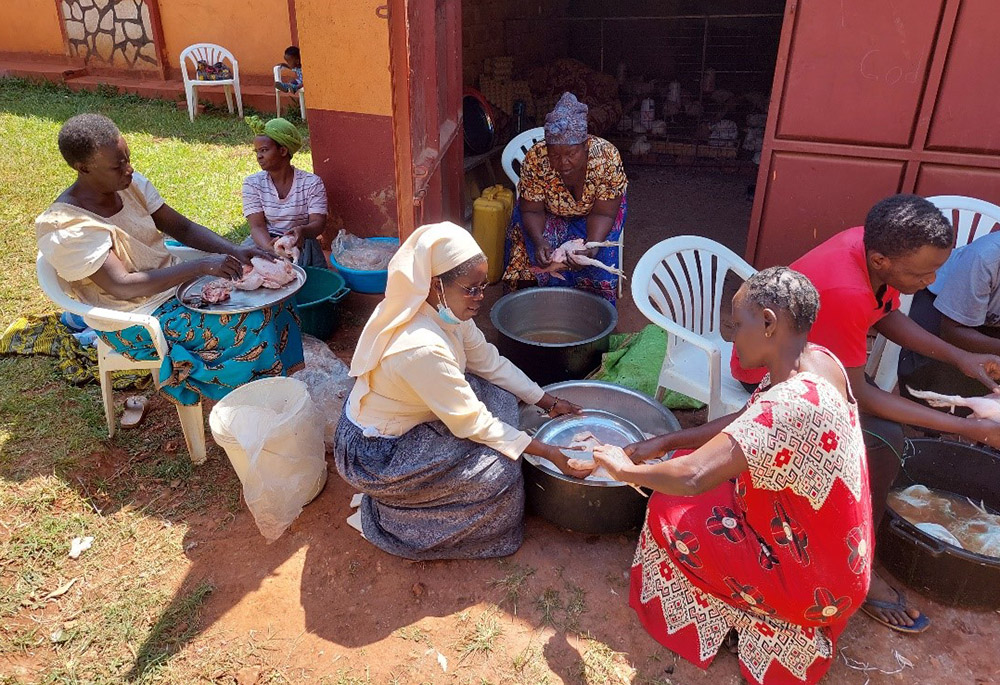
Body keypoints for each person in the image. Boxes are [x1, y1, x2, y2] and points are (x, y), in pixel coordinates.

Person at [730, 194, 1000, 633]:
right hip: (769, 372)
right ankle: (851, 564)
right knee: (879, 441)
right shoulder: (846, 289)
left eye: (937, 268)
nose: (933, 280)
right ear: (882, 261)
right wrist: (971, 429)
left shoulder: (872, 251)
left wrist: (959, 358)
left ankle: (855, 545)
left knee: (889, 434)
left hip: (818, 360)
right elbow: (860, 395)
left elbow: (886, 314)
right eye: (923, 273)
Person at [592, 267, 871, 685]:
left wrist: (625, 468)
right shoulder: (818, 361)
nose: (732, 338)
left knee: (669, 510)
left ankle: (742, 613)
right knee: (686, 461)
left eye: (737, 325)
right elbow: (745, 419)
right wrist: (665, 443)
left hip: (810, 578)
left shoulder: (792, 406)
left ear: (769, 323)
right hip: (830, 553)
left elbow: (693, 477)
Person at [334, 222, 590, 560]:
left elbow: (489, 363)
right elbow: (472, 422)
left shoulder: (449, 314)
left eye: (482, 287)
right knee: (500, 473)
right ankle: (391, 518)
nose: (480, 298)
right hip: (376, 456)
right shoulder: (420, 347)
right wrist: (550, 453)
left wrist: (549, 400)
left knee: (496, 395)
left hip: (409, 427)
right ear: (433, 285)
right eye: (470, 289)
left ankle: (419, 498)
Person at [36, 113, 304, 408]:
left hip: (177, 289)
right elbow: (123, 286)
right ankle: (249, 403)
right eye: (118, 165)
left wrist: (235, 251)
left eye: (128, 158)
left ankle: (277, 388)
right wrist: (201, 266)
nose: (129, 169)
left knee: (274, 300)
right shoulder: (69, 225)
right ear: (82, 167)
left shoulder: (128, 184)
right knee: (250, 322)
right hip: (134, 317)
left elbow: (183, 228)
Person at [502, 92, 627, 303]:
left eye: (571, 154)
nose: (563, 163)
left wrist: (593, 245)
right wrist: (539, 241)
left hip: (597, 214)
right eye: (555, 156)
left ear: (585, 146)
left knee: (597, 263)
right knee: (530, 253)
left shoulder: (607, 157)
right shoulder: (536, 158)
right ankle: (534, 306)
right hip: (548, 213)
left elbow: (603, 213)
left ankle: (592, 312)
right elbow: (532, 209)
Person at [899, 230, 1000, 402]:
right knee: (927, 380)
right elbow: (952, 331)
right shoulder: (984, 258)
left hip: (989, 320)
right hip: (945, 308)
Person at [242, 116, 330, 269]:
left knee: (304, 280)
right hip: (266, 240)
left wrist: (302, 231)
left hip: (301, 240)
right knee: (243, 272)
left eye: (264, 150)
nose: (259, 156)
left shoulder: (311, 183)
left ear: (283, 151)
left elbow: (318, 223)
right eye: (256, 151)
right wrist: (270, 248)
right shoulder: (252, 184)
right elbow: (257, 227)